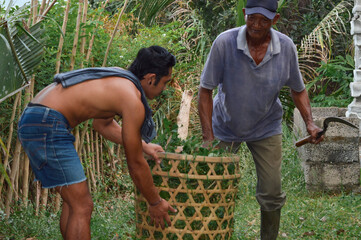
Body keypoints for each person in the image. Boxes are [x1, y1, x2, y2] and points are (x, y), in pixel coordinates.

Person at [17, 46, 177, 240]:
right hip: (47, 122)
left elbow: (103, 125)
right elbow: (135, 163)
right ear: (151, 78)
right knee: (82, 206)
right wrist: (155, 202)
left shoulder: (119, 78)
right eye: (165, 82)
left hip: (36, 117)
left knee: (73, 202)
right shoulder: (132, 99)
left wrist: (144, 145)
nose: (164, 89)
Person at [197, 0, 324, 239]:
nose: (256, 24)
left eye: (264, 20)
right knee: (215, 188)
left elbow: (297, 89)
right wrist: (208, 139)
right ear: (244, 14)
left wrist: (309, 121)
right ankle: (214, 235)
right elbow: (205, 91)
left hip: (266, 125)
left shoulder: (285, 47)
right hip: (224, 125)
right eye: (252, 17)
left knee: (272, 192)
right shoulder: (224, 43)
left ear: (274, 20)